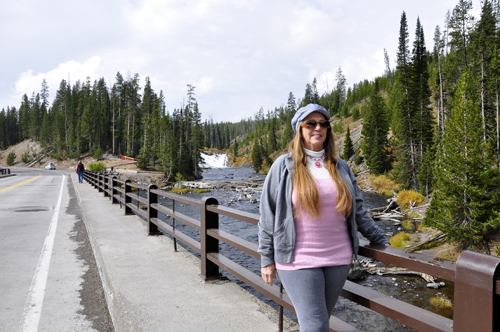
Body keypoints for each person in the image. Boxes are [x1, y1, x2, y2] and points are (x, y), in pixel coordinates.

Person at [258, 103, 390, 331]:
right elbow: (267, 214)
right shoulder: (284, 166)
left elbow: (357, 210)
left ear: (328, 129)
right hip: (298, 259)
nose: (317, 127)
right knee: (315, 326)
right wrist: (266, 259)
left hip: (338, 258)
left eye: (323, 123)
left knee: (319, 322)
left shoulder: (341, 168)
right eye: (311, 123)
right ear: (300, 129)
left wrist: (380, 239)